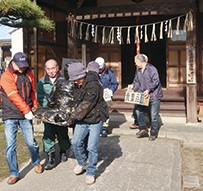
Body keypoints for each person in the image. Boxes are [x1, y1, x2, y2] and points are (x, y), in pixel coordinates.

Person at [0, 52, 43, 185]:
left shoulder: (28, 74)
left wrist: (35, 106)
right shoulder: (6, 76)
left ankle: (36, 162)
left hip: (26, 114)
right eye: (20, 66)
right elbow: (13, 95)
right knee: (11, 146)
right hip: (10, 114)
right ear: (13, 63)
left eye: (24, 66)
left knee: (31, 142)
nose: (22, 68)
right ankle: (14, 173)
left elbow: (32, 92)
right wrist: (26, 111)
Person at [64, 61, 109, 185]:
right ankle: (83, 161)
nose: (74, 82)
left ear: (81, 76)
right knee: (75, 142)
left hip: (95, 119)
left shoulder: (93, 85)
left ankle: (91, 172)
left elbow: (85, 106)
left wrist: (71, 118)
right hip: (82, 119)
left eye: (76, 80)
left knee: (92, 147)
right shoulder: (78, 84)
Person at [37, 59, 71, 170]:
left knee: (62, 132)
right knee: (48, 133)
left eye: (53, 68)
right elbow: (40, 97)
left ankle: (63, 150)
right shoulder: (42, 82)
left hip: (61, 112)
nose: (51, 71)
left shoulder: (64, 79)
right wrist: (47, 105)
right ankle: (50, 156)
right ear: (45, 70)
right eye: (48, 69)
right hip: (48, 112)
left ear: (57, 68)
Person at [132, 53, 163, 141]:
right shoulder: (138, 70)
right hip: (143, 94)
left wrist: (149, 89)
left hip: (154, 95)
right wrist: (134, 89)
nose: (135, 63)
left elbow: (156, 81)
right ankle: (143, 129)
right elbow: (137, 81)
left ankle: (153, 133)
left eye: (136, 62)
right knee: (138, 111)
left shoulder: (152, 69)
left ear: (140, 61)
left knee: (153, 115)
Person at [95, 57, 119, 137]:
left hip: (106, 95)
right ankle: (97, 128)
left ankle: (104, 129)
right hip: (96, 95)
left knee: (105, 112)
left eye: (101, 69)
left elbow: (115, 83)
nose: (100, 70)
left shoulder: (110, 73)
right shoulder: (93, 72)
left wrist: (111, 90)